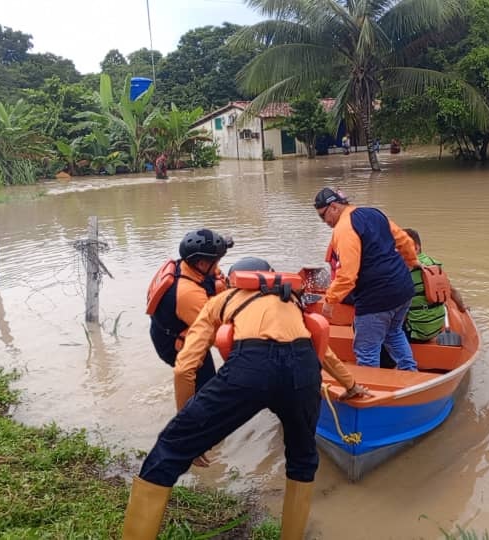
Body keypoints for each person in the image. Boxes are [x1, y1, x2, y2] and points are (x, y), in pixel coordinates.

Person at [123, 257, 368, 540]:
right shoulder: (293, 302)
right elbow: (323, 352)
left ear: (233, 281)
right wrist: (350, 385)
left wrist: (190, 424)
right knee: (302, 459)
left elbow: (185, 367)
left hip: (250, 368)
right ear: (271, 278)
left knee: (170, 448)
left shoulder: (221, 300)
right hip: (303, 370)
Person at [314, 187, 421, 370]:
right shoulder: (374, 213)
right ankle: (410, 373)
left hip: (376, 298)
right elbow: (405, 241)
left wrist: (330, 301)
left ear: (333, 207)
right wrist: (412, 262)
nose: (324, 222)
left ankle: (371, 392)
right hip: (403, 288)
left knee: (366, 350)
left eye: (323, 216)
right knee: (394, 333)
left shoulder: (344, 229)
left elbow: (347, 275)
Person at [147, 229, 232, 391]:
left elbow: (217, 278)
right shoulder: (188, 294)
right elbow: (217, 335)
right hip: (175, 344)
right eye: (216, 261)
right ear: (201, 264)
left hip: (170, 326)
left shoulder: (188, 266)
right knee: (206, 386)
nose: (218, 265)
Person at [402, 228, 467, 343]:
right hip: (436, 327)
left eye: (401, 247)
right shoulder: (434, 265)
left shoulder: (404, 270)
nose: (397, 251)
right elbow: (453, 291)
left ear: (416, 248)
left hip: (415, 331)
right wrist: (462, 308)